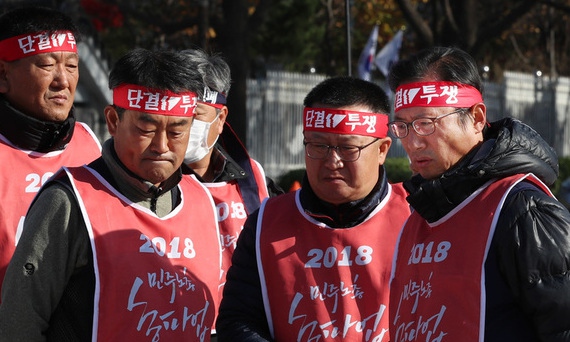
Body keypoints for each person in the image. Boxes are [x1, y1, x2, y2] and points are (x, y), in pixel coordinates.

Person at [0, 48, 222, 341]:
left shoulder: (201, 201)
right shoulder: (69, 202)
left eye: (177, 131)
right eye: (146, 129)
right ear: (113, 121)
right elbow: (20, 321)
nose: (162, 146)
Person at [387, 46, 570, 341]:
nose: (413, 142)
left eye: (425, 123)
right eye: (403, 126)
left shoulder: (523, 209)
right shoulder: (419, 214)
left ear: (476, 117)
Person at [216, 76, 411, 341]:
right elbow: (238, 319)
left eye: (348, 148)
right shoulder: (265, 223)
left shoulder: (416, 217)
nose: (332, 161)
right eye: (318, 146)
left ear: (382, 150)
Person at [0, 5, 102, 295]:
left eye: (71, 66)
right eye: (46, 65)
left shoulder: (92, 145)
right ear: (3, 75)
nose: (62, 81)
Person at [180, 49, 283, 318]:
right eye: (180, 112)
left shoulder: (254, 179)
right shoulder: (148, 181)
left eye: (197, 114)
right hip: (173, 323)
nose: (185, 125)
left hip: (241, 322)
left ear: (221, 118)